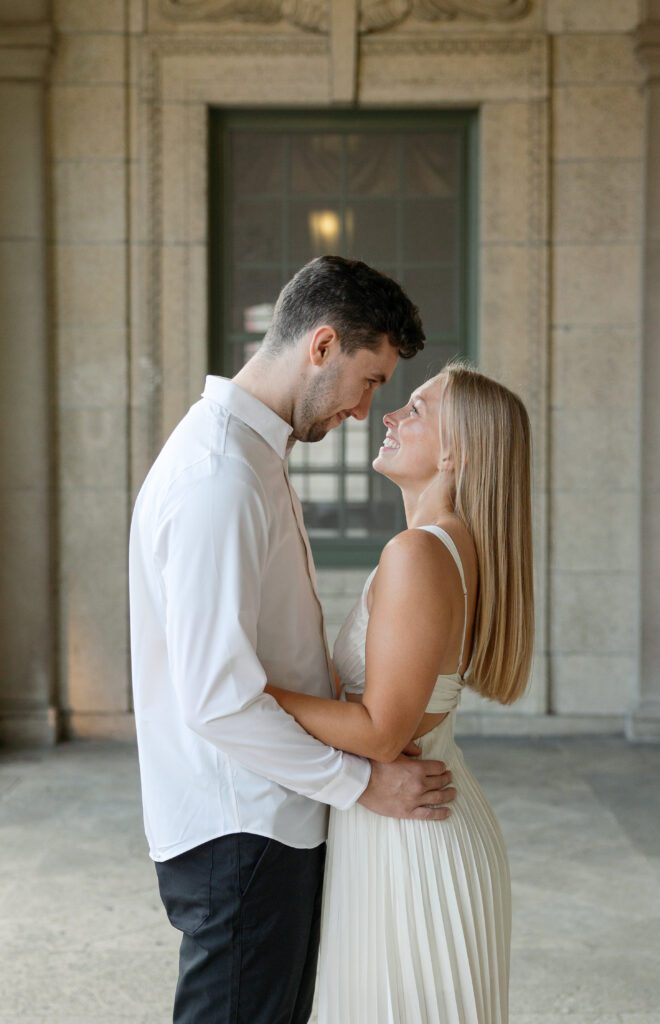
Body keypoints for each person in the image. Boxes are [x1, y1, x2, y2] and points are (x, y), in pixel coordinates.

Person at [128, 255, 458, 1024]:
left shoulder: (249, 456)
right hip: (241, 825)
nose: (363, 407)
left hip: (261, 815)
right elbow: (215, 700)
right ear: (321, 346)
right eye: (369, 378)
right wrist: (361, 783)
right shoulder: (220, 476)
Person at [266, 361, 535, 1023]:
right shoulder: (453, 548)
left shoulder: (418, 552)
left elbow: (382, 733)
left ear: (457, 449)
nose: (389, 415)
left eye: (416, 408)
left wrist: (248, 691)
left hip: (411, 843)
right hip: (416, 826)